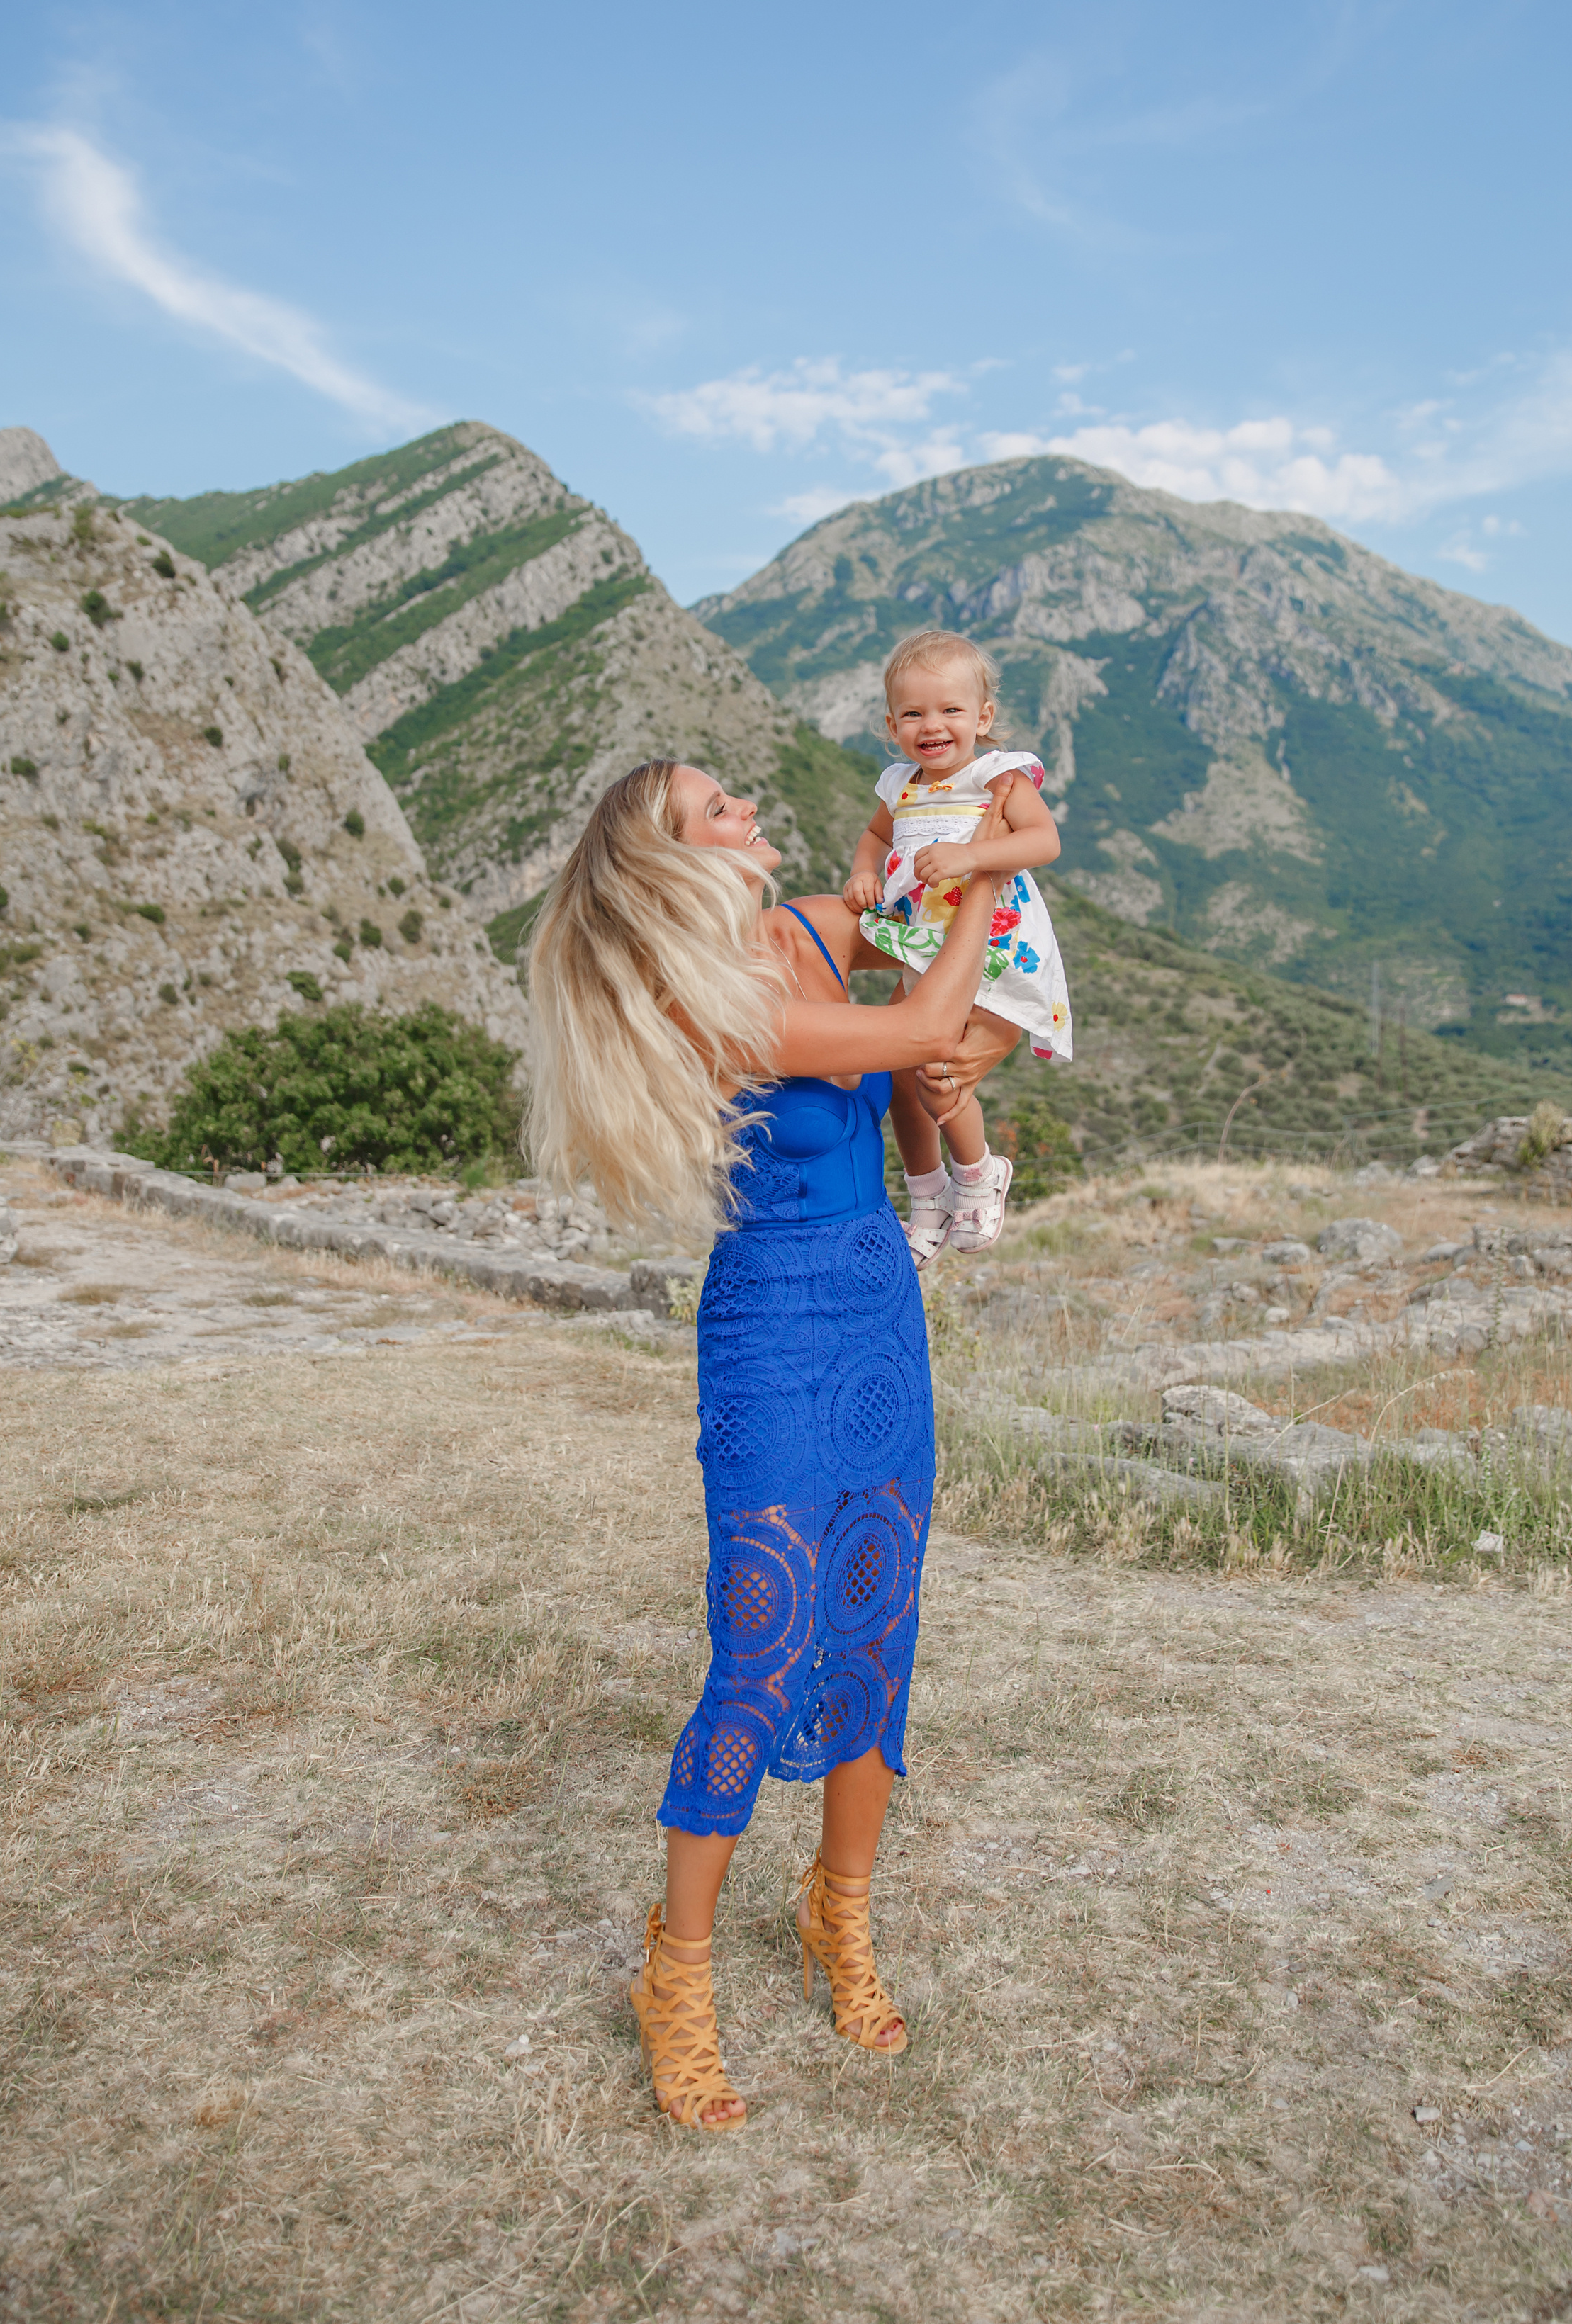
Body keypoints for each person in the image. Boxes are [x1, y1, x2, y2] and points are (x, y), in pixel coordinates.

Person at [524, 758, 1014, 2131]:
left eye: (737, 794)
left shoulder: (812, 926)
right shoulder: (705, 998)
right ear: (670, 861)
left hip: (877, 1306)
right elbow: (919, 1013)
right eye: (715, 808)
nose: (747, 806)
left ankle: (837, 1921)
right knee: (761, 1644)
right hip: (770, 1324)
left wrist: (959, 833)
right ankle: (674, 1977)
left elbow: (941, 978)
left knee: (875, 1625)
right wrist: (971, 892)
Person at [846, 629, 1072, 1266]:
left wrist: (971, 855)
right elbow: (872, 835)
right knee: (896, 1074)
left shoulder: (994, 775)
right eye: (914, 713)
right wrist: (866, 868)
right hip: (927, 951)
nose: (932, 725)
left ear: (984, 717)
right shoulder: (898, 785)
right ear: (892, 725)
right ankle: (927, 1196)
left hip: (995, 947)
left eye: (950, 710)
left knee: (940, 1077)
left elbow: (1043, 842)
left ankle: (977, 1174)